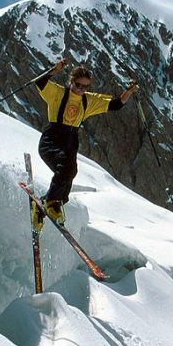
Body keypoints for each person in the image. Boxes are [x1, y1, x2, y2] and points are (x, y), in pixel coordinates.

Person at [32, 58, 138, 230]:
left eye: (85, 86)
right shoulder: (58, 93)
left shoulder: (88, 101)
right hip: (52, 138)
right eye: (78, 85)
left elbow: (117, 104)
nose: (81, 89)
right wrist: (55, 69)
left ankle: (50, 206)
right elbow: (40, 82)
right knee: (66, 165)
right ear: (71, 82)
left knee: (71, 172)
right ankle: (48, 202)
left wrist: (129, 92)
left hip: (71, 141)